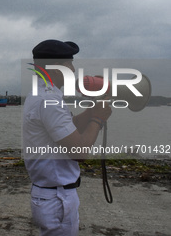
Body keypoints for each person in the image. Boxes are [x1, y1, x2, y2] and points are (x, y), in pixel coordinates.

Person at [23, 40, 112, 236]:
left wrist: (92, 111)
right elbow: (79, 152)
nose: (73, 69)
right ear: (57, 70)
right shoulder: (49, 100)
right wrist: (98, 119)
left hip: (51, 195)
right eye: (70, 64)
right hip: (57, 198)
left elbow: (67, 129)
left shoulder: (42, 94)